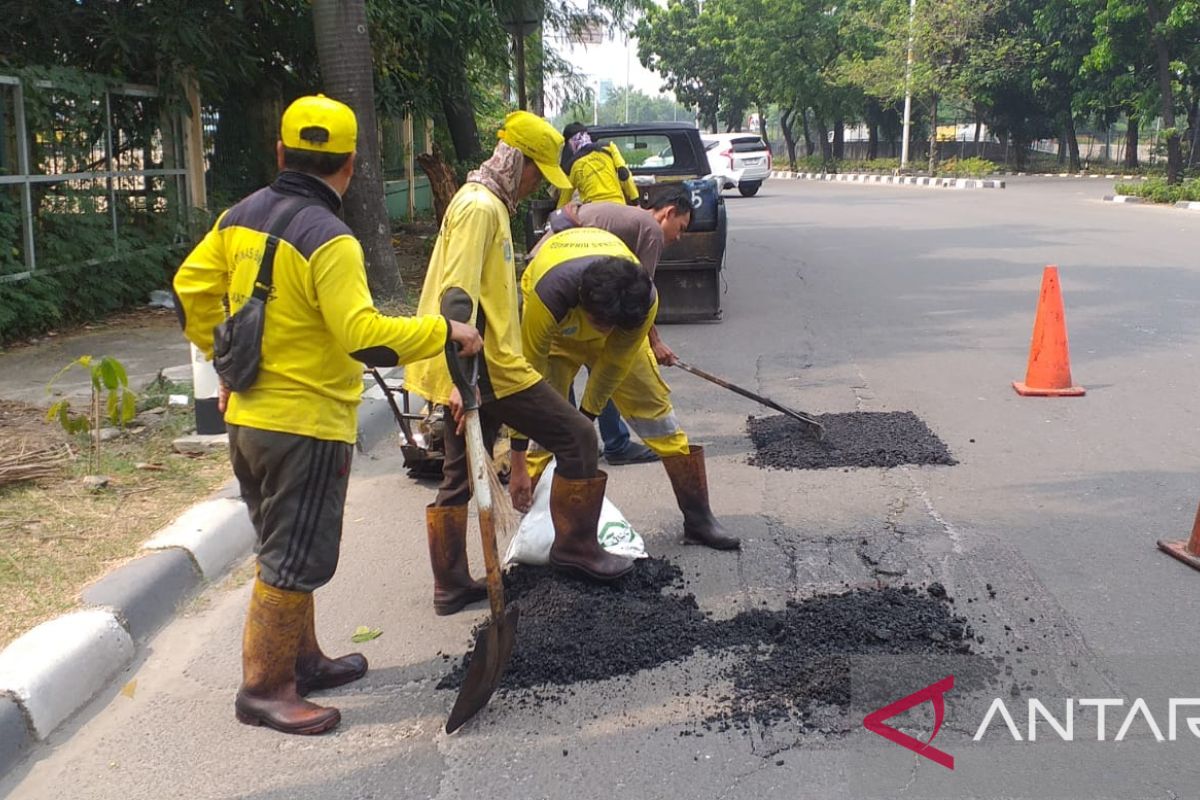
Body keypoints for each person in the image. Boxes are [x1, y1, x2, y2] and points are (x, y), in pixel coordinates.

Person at [173, 94, 482, 736]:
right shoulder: (330, 239)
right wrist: (444, 333)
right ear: (350, 165)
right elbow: (361, 335)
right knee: (295, 557)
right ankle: (264, 688)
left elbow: (191, 289)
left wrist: (225, 366)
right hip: (306, 425)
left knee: (283, 545)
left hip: (251, 420)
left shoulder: (238, 217)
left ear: (281, 154)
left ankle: (301, 659)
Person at [405, 111, 635, 604]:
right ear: (519, 161)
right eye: (537, 175)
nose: (535, 187)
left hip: (478, 364)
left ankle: (449, 583)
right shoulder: (480, 208)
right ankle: (576, 548)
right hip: (483, 367)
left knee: (459, 472)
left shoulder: (485, 202)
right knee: (577, 436)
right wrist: (459, 383)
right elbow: (457, 298)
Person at [512, 225, 740, 551]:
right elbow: (527, 380)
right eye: (601, 322)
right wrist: (517, 462)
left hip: (615, 329)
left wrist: (584, 421)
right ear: (584, 301)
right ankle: (535, 531)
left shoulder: (642, 300)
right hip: (557, 340)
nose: (603, 332)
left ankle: (699, 519)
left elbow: (611, 368)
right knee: (542, 430)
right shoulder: (548, 296)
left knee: (658, 418)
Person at [557, 121, 640, 208]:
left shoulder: (572, 165)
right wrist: (636, 202)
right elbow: (624, 174)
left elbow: (564, 199)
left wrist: (557, 214)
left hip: (592, 210)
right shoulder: (609, 147)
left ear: (570, 144)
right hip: (617, 205)